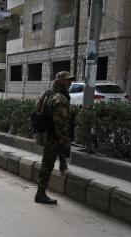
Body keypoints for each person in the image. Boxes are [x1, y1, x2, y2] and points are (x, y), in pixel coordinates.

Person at [35, 71, 74, 205]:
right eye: (67, 80)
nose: (70, 82)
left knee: (47, 162)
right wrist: (64, 141)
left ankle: (62, 163)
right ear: (59, 81)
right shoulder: (59, 98)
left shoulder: (46, 93)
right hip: (53, 137)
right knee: (47, 164)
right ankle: (40, 194)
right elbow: (61, 124)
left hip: (45, 134)